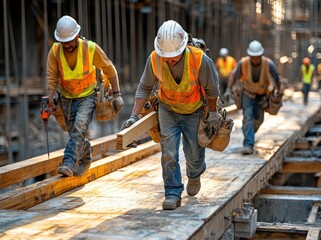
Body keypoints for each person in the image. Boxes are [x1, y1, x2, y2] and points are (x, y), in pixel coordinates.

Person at [121, 20, 221, 210]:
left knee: (193, 153)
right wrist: (134, 116)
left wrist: (214, 113)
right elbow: (144, 88)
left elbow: (212, 90)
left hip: (194, 111)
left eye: (173, 57)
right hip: (168, 110)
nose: (169, 60)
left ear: (183, 48)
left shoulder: (200, 60)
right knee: (169, 152)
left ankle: (195, 173)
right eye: (165, 56)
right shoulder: (155, 59)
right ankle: (172, 192)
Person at [45, 15, 123, 177]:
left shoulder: (90, 48)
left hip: (87, 96)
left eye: (70, 40)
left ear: (77, 35)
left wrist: (117, 94)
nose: (67, 45)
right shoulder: (55, 52)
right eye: (63, 42)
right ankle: (86, 157)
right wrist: (49, 99)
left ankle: (68, 161)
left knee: (79, 127)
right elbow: (52, 78)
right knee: (74, 132)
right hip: (66, 98)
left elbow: (109, 68)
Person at [224, 40, 281, 155]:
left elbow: (277, 79)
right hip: (247, 94)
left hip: (262, 95)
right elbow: (233, 76)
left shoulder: (268, 64)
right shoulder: (243, 63)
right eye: (253, 57)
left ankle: (248, 133)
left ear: (261, 55)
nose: (255, 59)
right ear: (249, 55)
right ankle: (248, 145)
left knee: (259, 119)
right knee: (248, 117)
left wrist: (277, 93)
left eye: (257, 57)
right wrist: (228, 90)